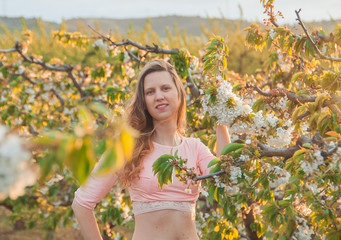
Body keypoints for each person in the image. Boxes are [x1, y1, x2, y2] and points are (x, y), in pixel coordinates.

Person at [72, 59, 230, 240]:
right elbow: (81, 204)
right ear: (143, 100)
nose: (159, 96)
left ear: (179, 93)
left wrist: (222, 119)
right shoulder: (128, 147)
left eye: (165, 88)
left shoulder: (195, 148)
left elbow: (226, 176)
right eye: (150, 92)